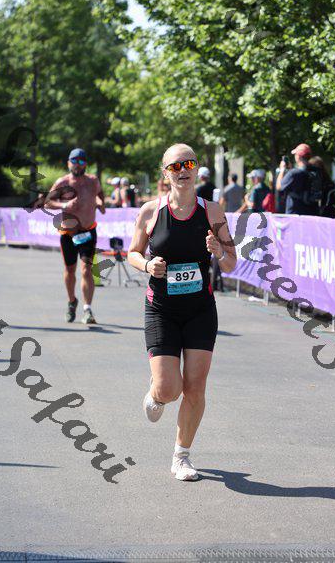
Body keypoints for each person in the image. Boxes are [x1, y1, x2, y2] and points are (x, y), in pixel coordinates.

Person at [127, 143, 236, 481]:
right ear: (165, 173)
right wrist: (148, 265)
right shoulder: (150, 211)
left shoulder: (213, 211)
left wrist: (219, 251)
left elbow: (231, 264)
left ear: (197, 168)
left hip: (200, 310)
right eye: (175, 166)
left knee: (195, 388)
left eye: (188, 164)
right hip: (161, 309)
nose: (183, 170)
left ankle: (181, 456)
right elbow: (132, 253)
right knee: (169, 390)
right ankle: (157, 391)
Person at [44, 148, 105, 324]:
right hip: (68, 233)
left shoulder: (93, 181)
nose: (77, 165)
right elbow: (47, 202)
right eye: (74, 161)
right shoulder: (62, 182)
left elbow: (100, 195)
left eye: (81, 161)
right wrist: (64, 205)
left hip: (87, 230)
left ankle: (87, 309)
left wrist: (100, 203)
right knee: (70, 270)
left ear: (85, 164)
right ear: (68, 163)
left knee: (86, 269)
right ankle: (72, 301)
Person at [276, 143, 321, 216]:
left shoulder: (294, 173)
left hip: (295, 215)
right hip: (312, 214)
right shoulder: (316, 171)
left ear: (298, 156)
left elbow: (279, 186)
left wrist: (282, 170)